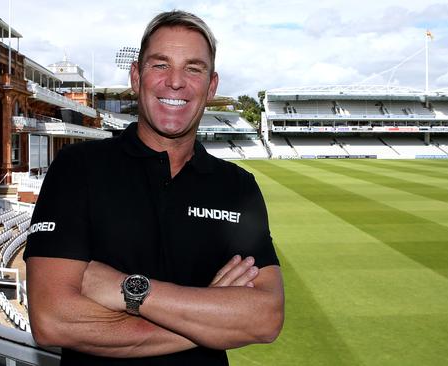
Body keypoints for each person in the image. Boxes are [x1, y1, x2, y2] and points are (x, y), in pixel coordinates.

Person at [24, 10, 284, 366]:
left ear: (211, 87)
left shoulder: (238, 186)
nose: (175, 82)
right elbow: (53, 320)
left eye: (193, 68)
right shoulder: (77, 168)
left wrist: (130, 290)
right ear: (136, 76)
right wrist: (209, 318)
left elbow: (265, 318)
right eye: (160, 65)